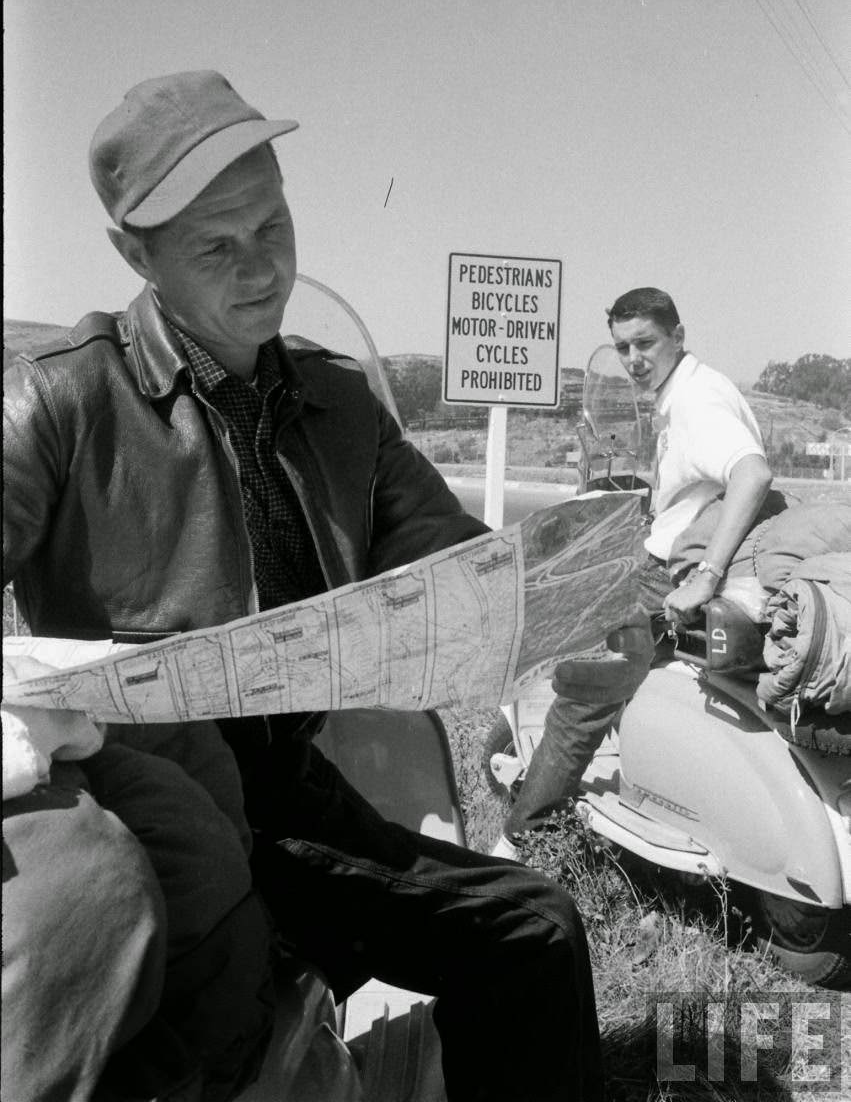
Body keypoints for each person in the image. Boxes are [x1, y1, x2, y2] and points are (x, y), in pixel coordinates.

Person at [2, 70, 603, 1102]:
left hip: (290, 784)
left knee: (533, 928)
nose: (261, 266)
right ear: (134, 255)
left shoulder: (340, 401)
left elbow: (453, 562)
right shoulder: (53, 398)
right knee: (525, 932)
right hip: (146, 792)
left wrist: (578, 604)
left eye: (272, 224)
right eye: (215, 246)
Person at [493, 286, 773, 858]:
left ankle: (524, 838)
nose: (633, 359)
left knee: (582, 689)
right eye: (623, 347)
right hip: (669, 561)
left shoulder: (696, 402)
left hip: (666, 575)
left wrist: (706, 576)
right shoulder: (694, 389)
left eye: (645, 343)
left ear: (677, 336)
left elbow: (752, 474)